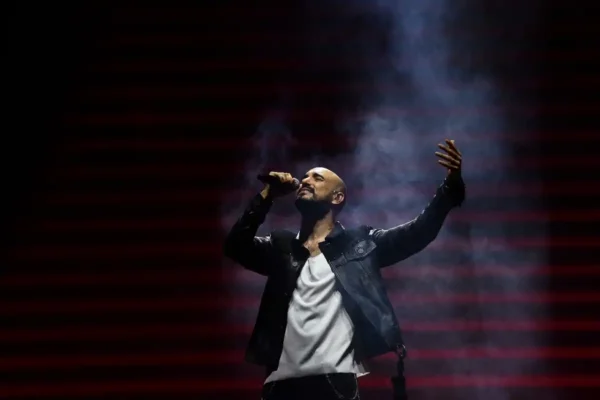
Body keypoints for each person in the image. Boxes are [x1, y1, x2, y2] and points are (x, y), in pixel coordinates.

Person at [223, 139, 465, 400]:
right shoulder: (281, 247)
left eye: (317, 178)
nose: (305, 181)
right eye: (305, 177)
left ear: (337, 197)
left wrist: (449, 188)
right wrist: (267, 195)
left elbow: (418, 232)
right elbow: (235, 246)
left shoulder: (359, 245)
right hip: (280, 386)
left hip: (334, 385)